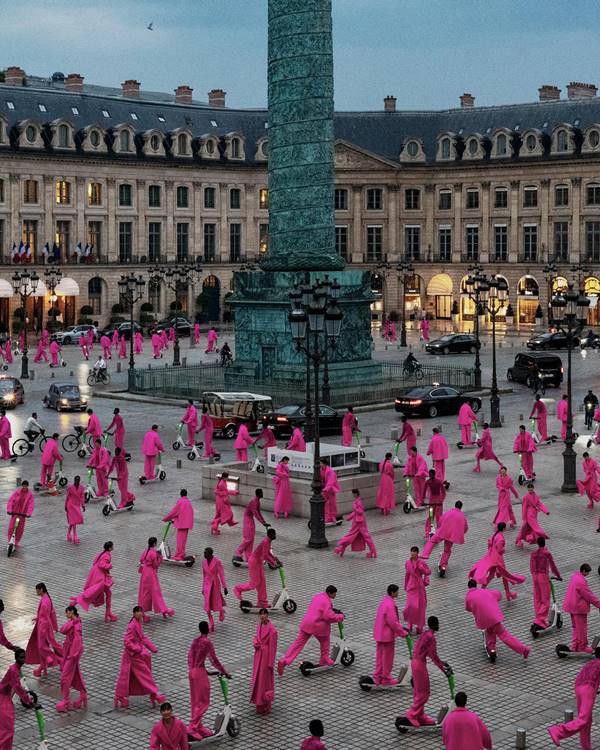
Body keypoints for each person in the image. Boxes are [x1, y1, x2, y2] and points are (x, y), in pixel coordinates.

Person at [278, 585, 344, 675]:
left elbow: (320, 609)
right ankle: (324, 659)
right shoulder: (327, 602)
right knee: (325, 642)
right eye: (334, 593)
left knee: (298, 644)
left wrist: (332, 610)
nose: (335, 595)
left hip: (307, 623)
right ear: (330, 593)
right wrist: (340, 616)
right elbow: (328, 617)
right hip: (318, 626)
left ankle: (284, 660)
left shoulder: (318, 596)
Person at [402, 615, 451, 727]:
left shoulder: (425, 634)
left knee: (418, 692)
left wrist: (442, 663)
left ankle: (420, 715)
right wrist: (444, 671)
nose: (438, 626)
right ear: (434, 625)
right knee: (424, 693)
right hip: (420, 666)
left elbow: (430, 654)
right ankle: (412, 715)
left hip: (415, 662)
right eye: (437, 624)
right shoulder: (431, 638)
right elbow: (433, 656)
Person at [547, 646, 600, 749]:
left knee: (587, 720)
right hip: (588, 690)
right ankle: (558, 731)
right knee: (583, 719)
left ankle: (586, 746)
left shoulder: (590, 663)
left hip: (578, 687)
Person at [114, 606, 166, 708]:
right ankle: (154, 694)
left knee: (127, 678)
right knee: (145, 674)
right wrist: (137, 649)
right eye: (138, 612)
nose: (140, 613)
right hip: (133, 656)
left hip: (135, 655)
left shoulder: (138, 623)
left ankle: (119, 696)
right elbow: (127, 641)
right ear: (134, 613)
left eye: (141, 612)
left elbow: (142, 638)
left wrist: (152, 648)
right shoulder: (132, 625)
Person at [465, 580, 530, 660]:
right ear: (476, 585)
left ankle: (492, 649)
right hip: (494, 617)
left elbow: (468, 608)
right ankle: (523, 650)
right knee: (504, 635)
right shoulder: (485, 591)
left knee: (489, 631)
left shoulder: (468, 597)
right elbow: (498, 595)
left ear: (468, 587)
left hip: (484, 620)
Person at [187, 621, 230, 740]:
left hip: (192, 672)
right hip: (200, 673)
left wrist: (194, 670)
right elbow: (213, 660)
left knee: (195, 701)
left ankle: (199, 726)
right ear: (208, 630)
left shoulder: (194, 641)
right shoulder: (207, 642)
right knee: (204, 702)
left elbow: (190, 657)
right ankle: (193, 726)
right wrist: (225, 672)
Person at [469, 522, 526, 600]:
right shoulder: (500, 538)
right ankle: (508, 593)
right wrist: (503, 550)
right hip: (497, 560)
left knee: (492, 576)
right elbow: (500, 550)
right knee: (505, 575)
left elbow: (489, 543)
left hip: (492, 557)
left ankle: (484, 589)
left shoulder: (494, 535)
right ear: (504, 528)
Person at [70, 541, 118, 622]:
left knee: (106, 593)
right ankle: (76, 601)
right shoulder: (107, 555)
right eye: (112, 546)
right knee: (93, 591)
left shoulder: (101, 553)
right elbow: (102, 565)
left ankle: (108, 612)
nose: (113, 547)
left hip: (96, 574)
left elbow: (95, 562)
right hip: (100, 577)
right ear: (110, 548)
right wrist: (109, 566)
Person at [233, 528, 279, 608]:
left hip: (259, 562)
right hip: (254, 563)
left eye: (275, 534)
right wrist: (273, 563)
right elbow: (265, 555)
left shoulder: (268, 541)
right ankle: (238, 589)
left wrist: (275, 559)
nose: (274, 536)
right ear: (269, 535)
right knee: (254, 584)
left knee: (262, 583)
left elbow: (268, 553)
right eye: (273, 534)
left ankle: (262, 602)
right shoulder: (265, 541)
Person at [372, 584, 408, 685]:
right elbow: (393, 622)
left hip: (380, 634)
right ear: (392, 593)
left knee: (380, 656)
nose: (398, 593)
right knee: (387, 657)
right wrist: (402, 632)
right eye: (397, 591)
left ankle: (378, 676)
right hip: (387, 636)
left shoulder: (384, 601)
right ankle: (386, 678)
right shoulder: (390, 605)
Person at [25, 582, 63, 677]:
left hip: (43, 628)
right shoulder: (45, 598)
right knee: (42, 647)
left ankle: (56, 660)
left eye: (37, 590)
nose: (36, 592)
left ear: (41, 589)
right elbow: (45, 615)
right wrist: (38, 618)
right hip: (42, 626)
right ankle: (42, 669)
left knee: (42, 647)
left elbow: (45, 617)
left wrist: (42, 630)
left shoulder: (45, 601)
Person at [421, 500, 469, 576]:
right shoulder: (462, 516)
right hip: (452, 536)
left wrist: (440, 528)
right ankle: (443, 566)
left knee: (432, 541)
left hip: (443, 532)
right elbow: (465, 528)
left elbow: (440, 520)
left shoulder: (448, 512)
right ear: (461, 507)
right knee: (447, 550)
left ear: (455, 505)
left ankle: (425, 554)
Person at [0, 649, 34, 749]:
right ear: (16, 658)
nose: (23, 660)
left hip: (5, 698)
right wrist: (29, 702)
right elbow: (17, 687)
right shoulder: (14, 670)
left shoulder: (16, 668)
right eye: (21, 657)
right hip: (2, 699)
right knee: (8, 729)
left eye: (24, 657)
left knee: (6, 729)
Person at [563, 563, 600, 653]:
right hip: (578, 608)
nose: (587, 575)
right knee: (582, 628)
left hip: (571, 606)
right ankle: (582, 647)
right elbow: (589, 596)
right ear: (583, 571)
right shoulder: (581, 582)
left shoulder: (575, 577)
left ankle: (575, 646)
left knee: (576, 627)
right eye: (587, 572)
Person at [56, 605, 86, 712]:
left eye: (67, 612)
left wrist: (72, 655)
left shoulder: (77, 625)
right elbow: (62, 630)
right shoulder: (74, 623)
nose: (66, 615)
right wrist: (72, 622)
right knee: (76, 674)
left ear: (71, 612)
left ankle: (66, 700)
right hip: (70, 653)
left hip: (72, 654)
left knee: (65, 678)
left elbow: (78, 640)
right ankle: (83, 695)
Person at [138, 537, 174, 621]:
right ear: (154, 544)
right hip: (151, 573)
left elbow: (141, 560)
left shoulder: (145, 551)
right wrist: (160, 557)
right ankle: (163, 610)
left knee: (144, 593)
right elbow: (156, 565)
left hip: (144, 573)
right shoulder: (153, 553)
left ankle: (142, 613)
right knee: (156, 592)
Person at [334, 488, 377, 558]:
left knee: (352, 535)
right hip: (359, 522)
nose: (353, 495)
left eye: (353, 494)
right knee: (364, 537)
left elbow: (360, 511)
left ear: (356, 494)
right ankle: (373, 551)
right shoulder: (357, 501)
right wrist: (349, 517)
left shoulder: (358, 502)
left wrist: (355, 508)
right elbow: (355, 512)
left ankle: (341, 546)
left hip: (359, 523)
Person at [530, 537, 562, 632]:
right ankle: (540, 619)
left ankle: (539, 617)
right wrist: (558, 576)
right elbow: (553, 566)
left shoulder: (533, 554)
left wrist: (534, 575)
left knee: (537, 598)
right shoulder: (546, 553)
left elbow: (531, 567)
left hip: (535, 576)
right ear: (544, 543)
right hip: (543, 576)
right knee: (545, 600)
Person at [250, 609, 278, 714]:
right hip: (258, 656)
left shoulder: (272, 630)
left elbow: (273, 648)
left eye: (264, 614)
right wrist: (255, 642)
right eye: (260, 614)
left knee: (265, 682)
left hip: (265, 658)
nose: (262, 616)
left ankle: (266, 704)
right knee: (257, 681)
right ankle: (259, 703)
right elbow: (256, 637)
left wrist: (270, 663)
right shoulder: (259, 626)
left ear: (267, 615)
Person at [235, 489, 268, 562]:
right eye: (261, 493)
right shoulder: (253, 502)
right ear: (258, 494)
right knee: (248, 538)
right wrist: (263, 522)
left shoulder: (258, 501)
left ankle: (248, 556)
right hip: (247, 520)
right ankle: (238, 552)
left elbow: (259, 513)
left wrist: (264, 522)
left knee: (251, 538)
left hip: (250, 519)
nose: (262, 494)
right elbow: (256, 513)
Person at [403, 546, 430, 633]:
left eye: (414, 552)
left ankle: (420, 626)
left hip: (419, 587)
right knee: (410, 606)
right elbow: (407, 574)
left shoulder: (421, 562)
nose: (412, 554)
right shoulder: (408, 563)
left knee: (420, 607)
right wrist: (406, 585)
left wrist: (422, 569)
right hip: (411, 587)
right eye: (411, 552)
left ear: (417, 553)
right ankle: (409, 624)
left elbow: (428, 572)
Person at [162, 489, 194, 560]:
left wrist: (166, 519)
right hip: (187, 524)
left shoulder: (180, 502)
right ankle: (181, 553)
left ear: (181, 494)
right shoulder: (188, 502)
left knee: (180, 541)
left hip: (182, 525)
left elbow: (174, 512)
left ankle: (179, 555)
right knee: (183, 540)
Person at [202, 548, 227, 631]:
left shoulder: (217, 562)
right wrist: (203, 587)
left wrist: (224, 587)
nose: (204, 555)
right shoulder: (204, 562)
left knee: (217, 601)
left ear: (210, 554)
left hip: (215, 585)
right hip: (207, 585)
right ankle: (211, 622)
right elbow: (204, 575)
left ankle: (221, 611)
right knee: (207, 605)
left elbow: (221, 574)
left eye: (206, 553)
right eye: (204, 553)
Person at [6, 480, 34, 549]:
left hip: (22, 515)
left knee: (20, 529)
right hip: (15, 513)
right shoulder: (17, 492)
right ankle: (10, 541)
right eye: (23, 486)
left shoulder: (29, 495)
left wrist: (28, 513)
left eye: (25, 486)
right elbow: (11, 500)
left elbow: (31, 504)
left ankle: (16, 542)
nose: (24, 487)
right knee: (11, 528)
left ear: (27, 486)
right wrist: (9, 510)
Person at [423, 469, 448, 537]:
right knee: (431, 516)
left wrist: (441, 500)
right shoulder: (428, 482)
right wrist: (423, 500)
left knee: (438, 517)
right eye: (429, 474)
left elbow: (443, 492)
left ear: (434, 474)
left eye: (431, 474)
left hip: (437, 501)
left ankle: (440, 532)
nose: (430, 476)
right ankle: (427, 531)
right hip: (433, 501)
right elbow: (424, 491)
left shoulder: (438, 482)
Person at [65, 476, 85, 545]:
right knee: (73, 521)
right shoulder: (70, 488)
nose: (77, 481)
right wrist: (65, 505)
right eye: (76, 480)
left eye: (78, 480)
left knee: (74, 521)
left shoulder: (82, 488)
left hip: (77, 505)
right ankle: (75, 536)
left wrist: (83, 505)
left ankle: (68, 534)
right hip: (70, 505)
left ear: (79, 480)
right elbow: (67, 497)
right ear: (74, 480)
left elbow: (82, 497)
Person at [320, 458, 340, 523]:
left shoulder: (330, 471)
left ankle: (333, 517)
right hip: (324, 489)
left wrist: (326, 488)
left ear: (324, 464)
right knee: (326, 504)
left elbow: (331, 481)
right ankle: (327, 517)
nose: (320, 464)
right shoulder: (321, 470)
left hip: (330, 490)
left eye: (321, 463)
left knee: (332, 503)